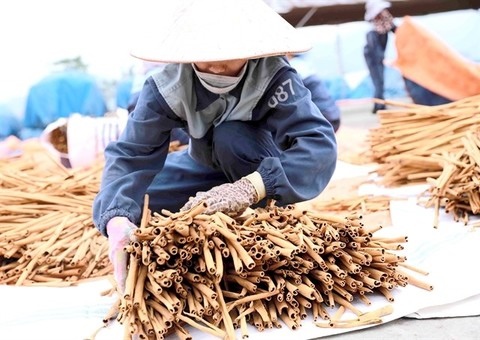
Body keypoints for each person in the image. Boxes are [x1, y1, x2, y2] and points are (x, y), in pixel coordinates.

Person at [92, 0, 338, 292]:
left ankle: (258, 219)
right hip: (202, 166)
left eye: (229, 54)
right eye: (205, 55)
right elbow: (132, 153)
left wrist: (249, 188)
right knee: (137, 199)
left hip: (257, 170)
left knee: (231, 135)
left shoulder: (274, 77)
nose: (217, 65)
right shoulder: (165, 88)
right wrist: (117, 217)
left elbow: (317, 143)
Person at [363, 0, 451, 113]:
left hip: (378, 57)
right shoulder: (373, 31)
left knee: (380, 81)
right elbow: (374, 50)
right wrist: (382, 59)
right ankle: (378, 106)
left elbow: (397, 30)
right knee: (378, 81)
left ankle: (379, 104)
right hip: (373, 58)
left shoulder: (385, 24)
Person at [287, 54, 341, 132]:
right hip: (333, 114)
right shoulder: (304, 64)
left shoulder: (292, 67)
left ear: (287, 53)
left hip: (322, 118)